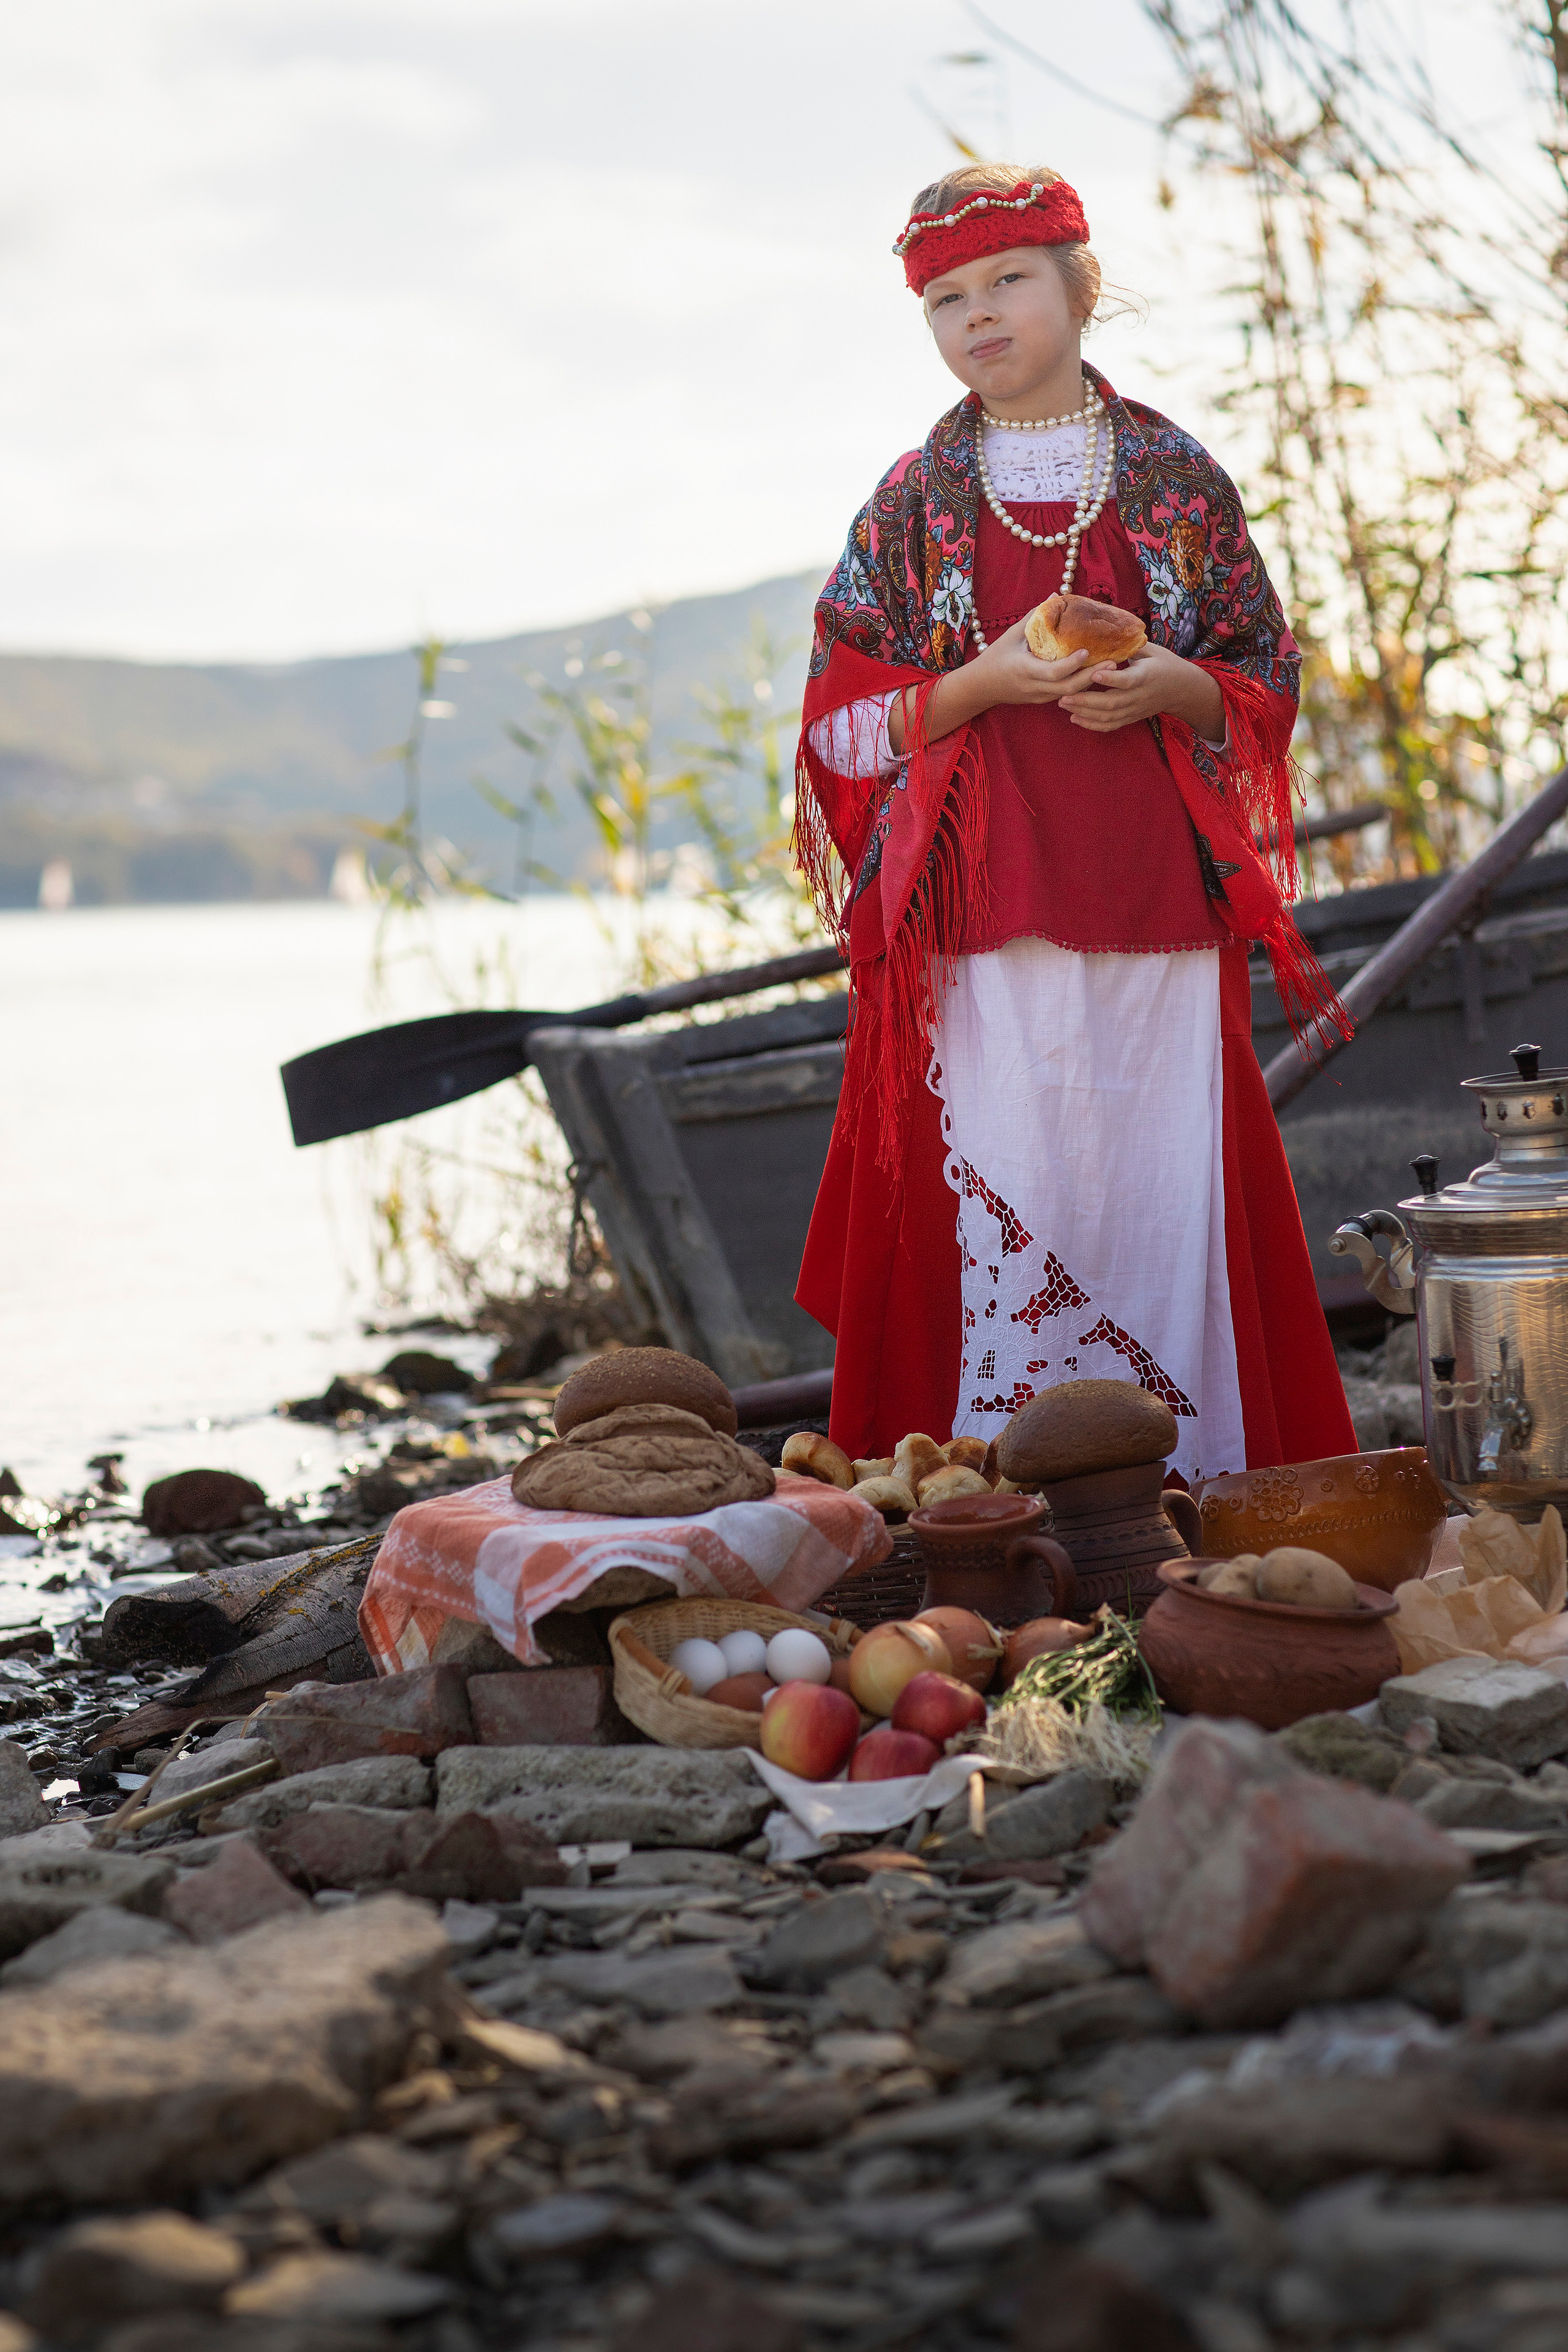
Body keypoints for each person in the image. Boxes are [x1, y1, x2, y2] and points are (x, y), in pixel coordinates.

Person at [793, 162, 1358, 1482]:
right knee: (1014, 1184)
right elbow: (835, 726)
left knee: (1157, 1191)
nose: (977, 316)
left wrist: (1179, 686)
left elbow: (1262, 679)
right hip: (977, 915)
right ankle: (1002, 1496)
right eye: (945, 298)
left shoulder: (1172, 480)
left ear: (1078, 286)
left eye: (1007, 281)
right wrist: (980, 682)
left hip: (1151, 895)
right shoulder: (912, 504)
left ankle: (1189, 1481)